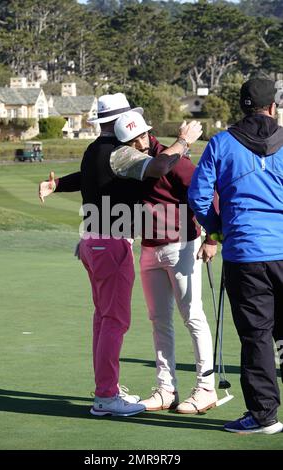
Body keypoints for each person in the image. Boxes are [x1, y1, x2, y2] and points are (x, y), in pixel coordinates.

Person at [39, 92, 202, 417]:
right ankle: (106, 396)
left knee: (103, 318)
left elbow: (86, 178)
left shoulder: (94, 149)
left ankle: (107, 387)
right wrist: (183, 142)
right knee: (114, 321)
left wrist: (56, 186)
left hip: (91, 241)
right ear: (117, 121)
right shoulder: (118, 152)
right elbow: (158, 166)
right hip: (111, 242)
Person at [188, 77, 283, 434]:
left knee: (257, 336)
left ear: (241, 106)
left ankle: (263, 416)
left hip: (245, 253)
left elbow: (198, 197)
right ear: (272, 107)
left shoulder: (222, 143)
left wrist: (217, 231)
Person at [113, 111, 218, 414]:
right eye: (134, 140)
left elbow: (207, 192)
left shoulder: (174, 159)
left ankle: (206, 388)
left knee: (192, 316)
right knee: (159, 320)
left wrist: (211, 237)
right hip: (149, 249)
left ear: (149, 132)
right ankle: (166, 389)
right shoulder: (130, 161)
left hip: (182, 245)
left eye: (143, 135)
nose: (141, 142)